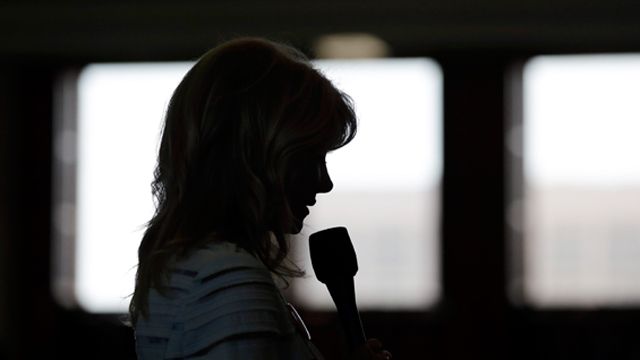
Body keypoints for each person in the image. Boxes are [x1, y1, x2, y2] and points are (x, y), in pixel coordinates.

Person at [129, 37, 393, 360]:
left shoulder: (188, 267)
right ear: (256, 153)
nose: (326, 183)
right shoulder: (229, 283)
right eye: (312, 158)